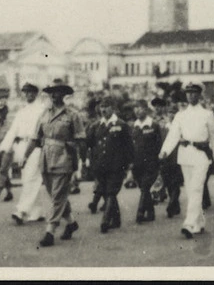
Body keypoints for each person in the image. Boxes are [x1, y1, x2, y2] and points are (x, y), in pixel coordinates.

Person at [23, 79, 85, 247]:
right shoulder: (43, 114)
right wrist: (25, 157)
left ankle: (50, 230)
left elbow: (80, 139)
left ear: (64, 95)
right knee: (56, 195)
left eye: (58, 92)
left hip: (64, 157)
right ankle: (71, 223)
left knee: (58, 196)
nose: (55, 95)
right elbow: (35, 139)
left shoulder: (73, 115)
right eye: (52, 92)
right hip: (46, 159)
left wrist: (77, 157)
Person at [159, 83, 214, 239]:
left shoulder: (207, 114)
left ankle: (189, 223)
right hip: (185, 155)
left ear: (200, 95)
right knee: (191, 189)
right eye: (188, 93)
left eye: (194, 93)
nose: (191, 96)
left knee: (196, 189)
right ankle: (199, 222)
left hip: (201, 155)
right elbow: (173, 134)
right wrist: (165, 150)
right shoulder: (181, 115)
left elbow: (213, 137)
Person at [2, 83, 47, 224]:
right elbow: (13, 130)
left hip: (36, 146)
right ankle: (36, 212)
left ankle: (21, 211)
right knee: (27, 178)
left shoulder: (42, 109)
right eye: (26, 92)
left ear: (36, 94)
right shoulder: (22, 111)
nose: (28, 95)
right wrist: (5, 147)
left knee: (31, 178)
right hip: (21, 146)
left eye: (31, 92)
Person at [89, 97, 134, 233]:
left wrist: (130, 164)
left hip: (116, 165)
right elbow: (91, 145)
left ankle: (105, 220)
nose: (103, 110)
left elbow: (129, 146)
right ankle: (116, 219)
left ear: (113, 109)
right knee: (105, 192)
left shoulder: (121, 125)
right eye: (102, 107)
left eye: (106, 107)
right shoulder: (96, 125)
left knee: (111, 192)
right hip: (101, 166)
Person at [131, 99, 161, 224]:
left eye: (140, 108)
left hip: (151, 162)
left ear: (146, 110)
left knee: (145, 186)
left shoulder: (154, 125)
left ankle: (140, 212)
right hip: (137, 164)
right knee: (143, 187)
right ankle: (151, 212)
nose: (137, 111)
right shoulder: (134, 126)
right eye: (135, 108)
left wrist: (158, 160)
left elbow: (159, 144)